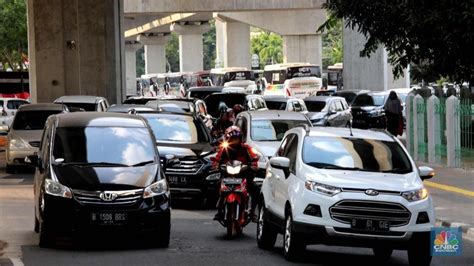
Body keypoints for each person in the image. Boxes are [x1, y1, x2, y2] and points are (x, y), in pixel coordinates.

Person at [212, 126, 259, 222]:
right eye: (232, 139)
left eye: (236, 138)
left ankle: (252, 212)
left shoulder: (246, 148)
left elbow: (254, 158)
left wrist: (253, 165)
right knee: (216, 185)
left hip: (243, 175)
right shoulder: (224, 149)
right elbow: (217, 160)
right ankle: (219, 210)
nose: (234, 141)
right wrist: (216, 166)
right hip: (227, 176)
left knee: (256, 190)